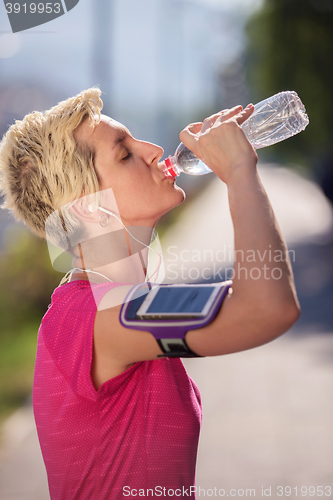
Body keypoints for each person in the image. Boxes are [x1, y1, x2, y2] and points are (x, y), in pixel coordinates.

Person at [0, 88, 300, 499]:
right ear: (89, 208)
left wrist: (239, 168)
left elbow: (254, 300)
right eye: (124, 154)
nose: (154, 149)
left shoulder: (105, 304)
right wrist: (239, 173)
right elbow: (266, 308)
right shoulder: (95, 317)